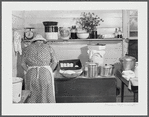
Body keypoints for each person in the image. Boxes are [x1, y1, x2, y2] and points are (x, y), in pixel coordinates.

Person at [21, 34, 58, 103]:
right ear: (43, 41)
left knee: (31, 95)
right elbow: (55, 62)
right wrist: (49, 70)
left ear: (33, 41)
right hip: (46, 74)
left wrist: (29, 70)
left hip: (31, 73)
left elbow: (22, 64)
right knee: (46, 94)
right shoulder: (49, 47)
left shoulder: (26, 48)